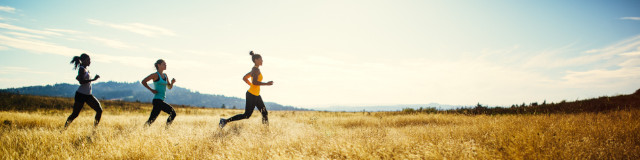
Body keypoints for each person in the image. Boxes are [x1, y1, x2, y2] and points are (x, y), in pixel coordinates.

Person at [220, 51, 273, 128]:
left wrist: (251, 85)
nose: (262, 61)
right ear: (256, 60)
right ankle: (224, 121)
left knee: (264, 112)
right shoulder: (255, 70)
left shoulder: (254, 69)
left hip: (256, 95)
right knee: (246, 115)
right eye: (261, 59)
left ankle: (265, 131)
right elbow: (254, 82)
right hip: (252, 95)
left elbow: (245, 78)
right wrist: (266, 84)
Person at [64, 53, 102, 128]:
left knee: (99, 110)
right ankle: (63, 129)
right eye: (88, 60)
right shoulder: (81, 68)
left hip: (88, 95)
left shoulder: (85, 69)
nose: (90, 62)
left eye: (90, 60)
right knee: (75, 114)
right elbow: (81, 82)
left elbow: (79, 78)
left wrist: (79, 77)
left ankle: (94, 130)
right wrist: (93, 79)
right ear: (83, 60)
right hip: (81, 95)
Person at [141, 59, 177, 128]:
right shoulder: (155, 75)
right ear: (159, 65)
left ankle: (142, 130)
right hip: (157, 100)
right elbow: (143, 81)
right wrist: (151, 90)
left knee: (151, 120)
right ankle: (166, 130)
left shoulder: (165, 75)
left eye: (165, 64)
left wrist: (172, 82)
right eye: (164, 64)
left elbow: (169, 87)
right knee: (173, 113)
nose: (165, 65)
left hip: (160, 100)